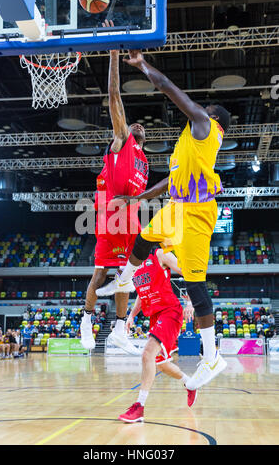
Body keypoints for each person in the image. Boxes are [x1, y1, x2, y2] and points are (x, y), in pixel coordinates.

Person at [97, 49, 230, 391]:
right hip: (178, 205)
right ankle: (124, 281)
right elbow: (168, 182)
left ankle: (212, 356)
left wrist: (143, 66)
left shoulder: (204, 125)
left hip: (197, 212)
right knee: (143, 239)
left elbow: (169, 87)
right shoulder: (187, 146)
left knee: (195, 284)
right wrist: (136, 198)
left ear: (213, 117)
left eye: (206, 107)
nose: (200, 108)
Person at [80, 22, 149, 356]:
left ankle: (121, 330)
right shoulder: (121, 141)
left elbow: (142, 196)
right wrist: (114, 52)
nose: (137, 125)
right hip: (110, 220)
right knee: (100, 274)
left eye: (142, 127)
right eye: (134, 124)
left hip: (131, 223)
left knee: (127, 275)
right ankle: (86, 319)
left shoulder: (145, 164)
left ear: (146, 141)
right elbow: (114, 97)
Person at [118, 248, 197, 423]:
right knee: (161, 364)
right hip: (154, 315)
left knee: (147, 354)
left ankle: (139, 407)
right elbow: (141, 294)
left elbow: (190, 272)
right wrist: (131, 315)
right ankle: (190, 383)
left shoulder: (160, 254)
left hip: (170, 311)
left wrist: (190, 301)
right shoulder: (133, 265)